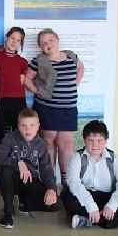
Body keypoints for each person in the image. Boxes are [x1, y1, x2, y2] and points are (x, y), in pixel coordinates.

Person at [24, 28, 85, 183]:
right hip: (46, 108)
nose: (48, 44)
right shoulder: (38, 61)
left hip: (68, 108)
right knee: (48, 142)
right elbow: (27, 79)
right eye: (43, 43)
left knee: (66, 144)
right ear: (40, 47)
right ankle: (50, 182)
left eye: (50, 40)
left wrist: (75, 83)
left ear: (57, 40)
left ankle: (66, 182)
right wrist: (37, 91)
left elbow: (81, 67)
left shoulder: (71, 56)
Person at [62, 120, 118, 229]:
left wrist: (112, 206)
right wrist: (91, 207)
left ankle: (89, 220)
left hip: (108, 197)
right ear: (84, 140)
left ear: (105, 141)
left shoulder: (115, 159)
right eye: (91, 140)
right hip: (86, 195)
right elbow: (74, 183)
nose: (95, 145)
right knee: (66, 195)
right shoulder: (77, 158)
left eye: (99, 140)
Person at [0, 108, 58, 229]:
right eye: (24, 125)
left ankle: (23, 202)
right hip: (12, 180)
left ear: (38, 126)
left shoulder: (41, 144)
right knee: (5, 171)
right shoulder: (10, 138)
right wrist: (17, 162)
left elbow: (46, 169)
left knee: (54, 205)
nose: (28, 129)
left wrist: (51, 188)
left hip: (29, 181)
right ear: (18, 126)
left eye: (32, 125)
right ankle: (8, 212)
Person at [0, 27, 29, 149]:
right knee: (0, 133)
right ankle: (1, 159)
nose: (14, 42)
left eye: (18, 40)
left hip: (18, 101)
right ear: (7, 38)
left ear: (20, 43)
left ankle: (18, 159)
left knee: (19, 133)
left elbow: (24, 80)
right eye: (12, 38)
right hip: (0, 100)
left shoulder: (23, 62)